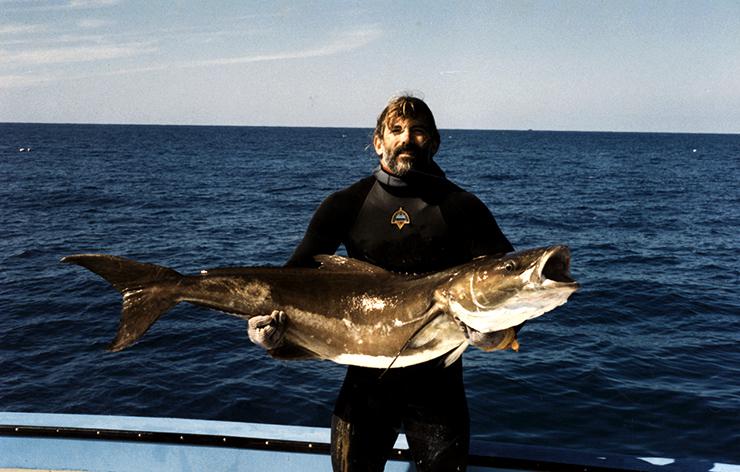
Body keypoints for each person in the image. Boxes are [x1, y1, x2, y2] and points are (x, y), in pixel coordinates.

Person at [247, 95, 517, 471]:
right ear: (378, 142)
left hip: (439, 385)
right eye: (396, 130)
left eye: (418, 131)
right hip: (365, 384)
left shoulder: (464, 208)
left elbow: (507, 286)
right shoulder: (346, 203)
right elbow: (291, 284)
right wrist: (270, 333)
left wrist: (497, 335)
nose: (407, 138)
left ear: (434, 142)